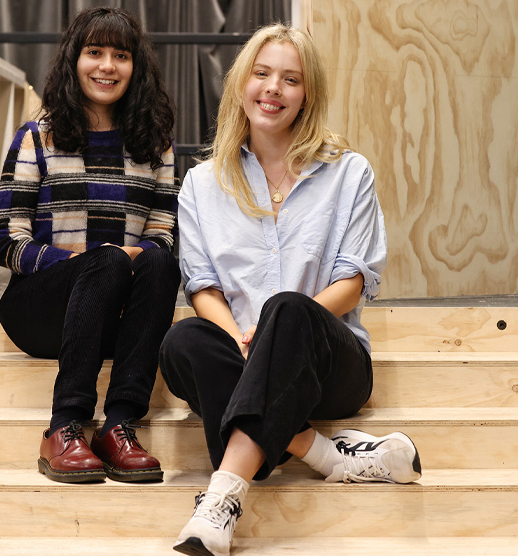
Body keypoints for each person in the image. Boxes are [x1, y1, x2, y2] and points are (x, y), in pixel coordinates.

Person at [158, 23, 422, 556]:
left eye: (290, 79)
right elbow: (202, 288)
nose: (273, 88)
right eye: (261, 74)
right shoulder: (202, 184)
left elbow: (353, 280)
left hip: (331, 364)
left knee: (288, 309)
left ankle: (223, 495)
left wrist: (278, 325)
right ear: (241, 84)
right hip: (244, 358)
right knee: (182, 344)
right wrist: (240, 338)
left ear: (308, 95)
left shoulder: (349, 173)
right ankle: (325, 454)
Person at [0, 7, 179, 484]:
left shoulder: (156, 146)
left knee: (161, 266)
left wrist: (129, 259)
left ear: (137, 69)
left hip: (116, 316)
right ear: (74, 60)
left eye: (121, 55)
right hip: (41, 310)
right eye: (94, 52)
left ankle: (119, 426)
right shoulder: (37, 138)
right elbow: (5, 239)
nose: (107, 66)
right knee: (107, 262)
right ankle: (64, 425)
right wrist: (83, 262)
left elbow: (163, 234)